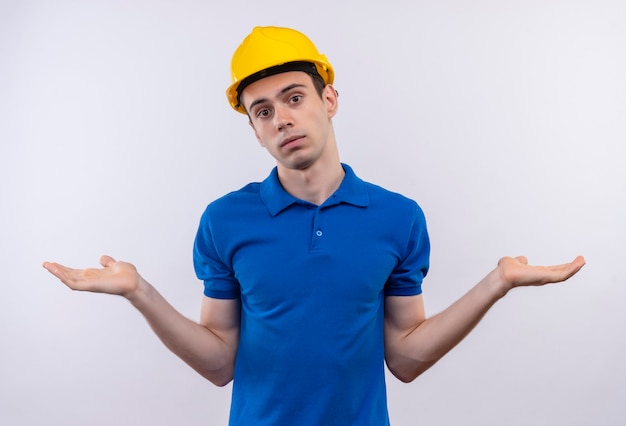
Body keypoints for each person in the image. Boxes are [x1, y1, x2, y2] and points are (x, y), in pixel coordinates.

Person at [43, 26, 585, 426]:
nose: (281, 118)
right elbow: (218, 362)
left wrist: (498, 284)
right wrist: (140, 292)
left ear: (329, 100)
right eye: (262, 111)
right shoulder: (225, 221)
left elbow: (406, 357)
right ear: (255, 131)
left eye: (294, 98)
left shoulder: (398, 218)